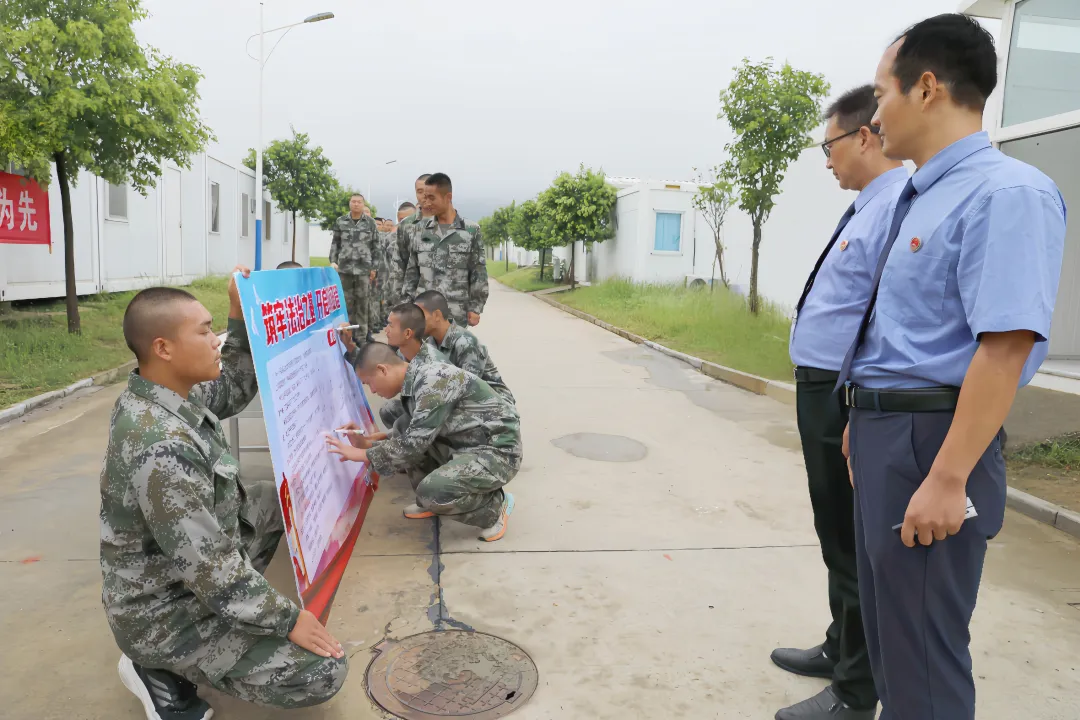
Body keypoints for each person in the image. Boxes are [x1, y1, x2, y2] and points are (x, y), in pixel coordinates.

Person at [838, 14, 1066, 719]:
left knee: (926, 660)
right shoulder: (921, 194)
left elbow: (1004, 347)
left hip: (934, 444)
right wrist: (862, 416)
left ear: (927, 87)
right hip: (887, 434)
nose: (874, 114)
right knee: (892, 646)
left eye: (881, 94)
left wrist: (947, 476)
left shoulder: (1005, 193)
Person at [100, 267, 347, 719]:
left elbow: (232, 385)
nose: (215, 340)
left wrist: (239, 314)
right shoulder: (161, 447)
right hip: (162, 612)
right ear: (164, 348)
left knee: (274, 502)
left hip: (187, 577)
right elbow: (213, 573)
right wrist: (289, 620)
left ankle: (203, 642)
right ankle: (155, 664)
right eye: (206, 331)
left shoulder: (166, 391)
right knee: (322, 672)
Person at [771, 86, 907, 720]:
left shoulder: (894, 209)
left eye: (828, 146)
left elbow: (882, 317)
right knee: (834, 531)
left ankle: (856, 691)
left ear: (863, 137)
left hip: (842, 392)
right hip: (821, 386)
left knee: (852, 542)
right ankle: (839, 645)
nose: (825, 161)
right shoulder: (866, 205)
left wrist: (852, 404)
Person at [326, 339, 521, 542]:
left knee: (432, 491)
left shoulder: (432, 381)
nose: (373, 390)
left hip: (499, 451)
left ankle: (495, 507)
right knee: (403, 429)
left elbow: (412, 445)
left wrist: (362, 454)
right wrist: (367, 444)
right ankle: (436, 501)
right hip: (470, 443)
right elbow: (411, 435)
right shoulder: (416, 378)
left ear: (382, 369)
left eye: (369, 383)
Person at [401, 173, 488, 327]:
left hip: (455, 312)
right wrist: (406, 307)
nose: (426, 202)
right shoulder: (419, 230)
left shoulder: (470, 231)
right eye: (425, 197)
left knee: (454, 350)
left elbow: (478, 271)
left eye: (432, 198)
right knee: (424, 351)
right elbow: (411, 274)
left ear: (448, 197)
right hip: (423, 312)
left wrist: (476, 308)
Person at [413, 289, 515, 405]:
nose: (415, 322)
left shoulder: (466, 343)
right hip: (460, 401)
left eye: (420, 316)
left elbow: (467, 391)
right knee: (395, 410)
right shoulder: (430, 343)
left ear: (436, 315)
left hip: (494, 407)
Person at [329, 192, 379, 343]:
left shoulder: (370, 222)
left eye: (359, 202)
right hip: (344, 269)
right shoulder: (341, 221)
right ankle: (346, 333)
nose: (356, 204)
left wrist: (374, 268)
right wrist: (332, 261)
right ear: (349, 204)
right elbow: (335, 243)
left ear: (363, 204)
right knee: (346, 302)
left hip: (364, 269)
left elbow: (376, 246)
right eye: (353, 201)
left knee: (363, 303)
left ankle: (362, 337)